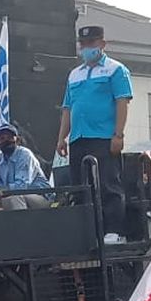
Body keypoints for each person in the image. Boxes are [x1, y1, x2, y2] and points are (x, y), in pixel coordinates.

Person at [55, 25, 133, 245]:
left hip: (103, 136)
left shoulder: (115, 70)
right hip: (79, 137)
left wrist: (118, 135)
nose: (87, 48)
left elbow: (122, 102)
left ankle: (115, 231)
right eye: (84, 44)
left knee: (108, 183)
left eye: (92, 44)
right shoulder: (74, 74)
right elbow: (68, 108)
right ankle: (88, 231)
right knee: (80, 187)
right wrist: (62, 137)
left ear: (102, 44)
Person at [0, 124, 51, 210]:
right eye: (2, 138)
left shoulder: (25, 154)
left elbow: (21, 187)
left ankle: (22, 223)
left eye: (10, 137)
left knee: (16, 198)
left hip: (41, 197)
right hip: (12, 196)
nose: (6, 140)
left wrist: (1, 192)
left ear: (18, 140)